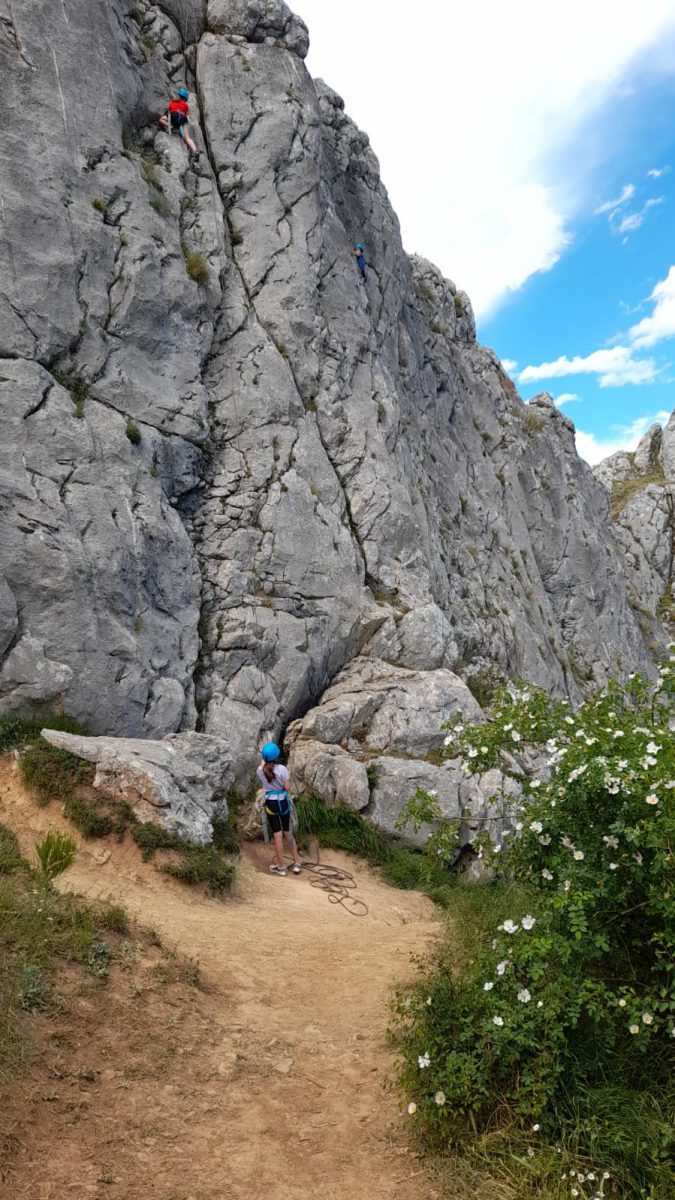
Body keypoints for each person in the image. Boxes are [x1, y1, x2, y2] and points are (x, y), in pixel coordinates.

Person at [256, 742, 302, 877]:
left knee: (277, 835)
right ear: (277, 756)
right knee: (288, 833)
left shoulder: (260, 771)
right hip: (283, 802)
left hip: (271, 804)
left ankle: (281, 867)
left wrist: (264, 754)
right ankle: (297, 863)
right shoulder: (282, 769)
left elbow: (262, 763)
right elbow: (287, 788)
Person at [159, 87, 200, 161]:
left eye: (177, 94)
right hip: (183, 120)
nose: (176, 95)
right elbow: (187, 114)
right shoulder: (185, 105)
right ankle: (195, 151)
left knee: (161, 119)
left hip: (173, 117)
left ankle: (170, 126)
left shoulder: (172, 102)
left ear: (178, 96)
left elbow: (169, 112)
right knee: (187, 137)